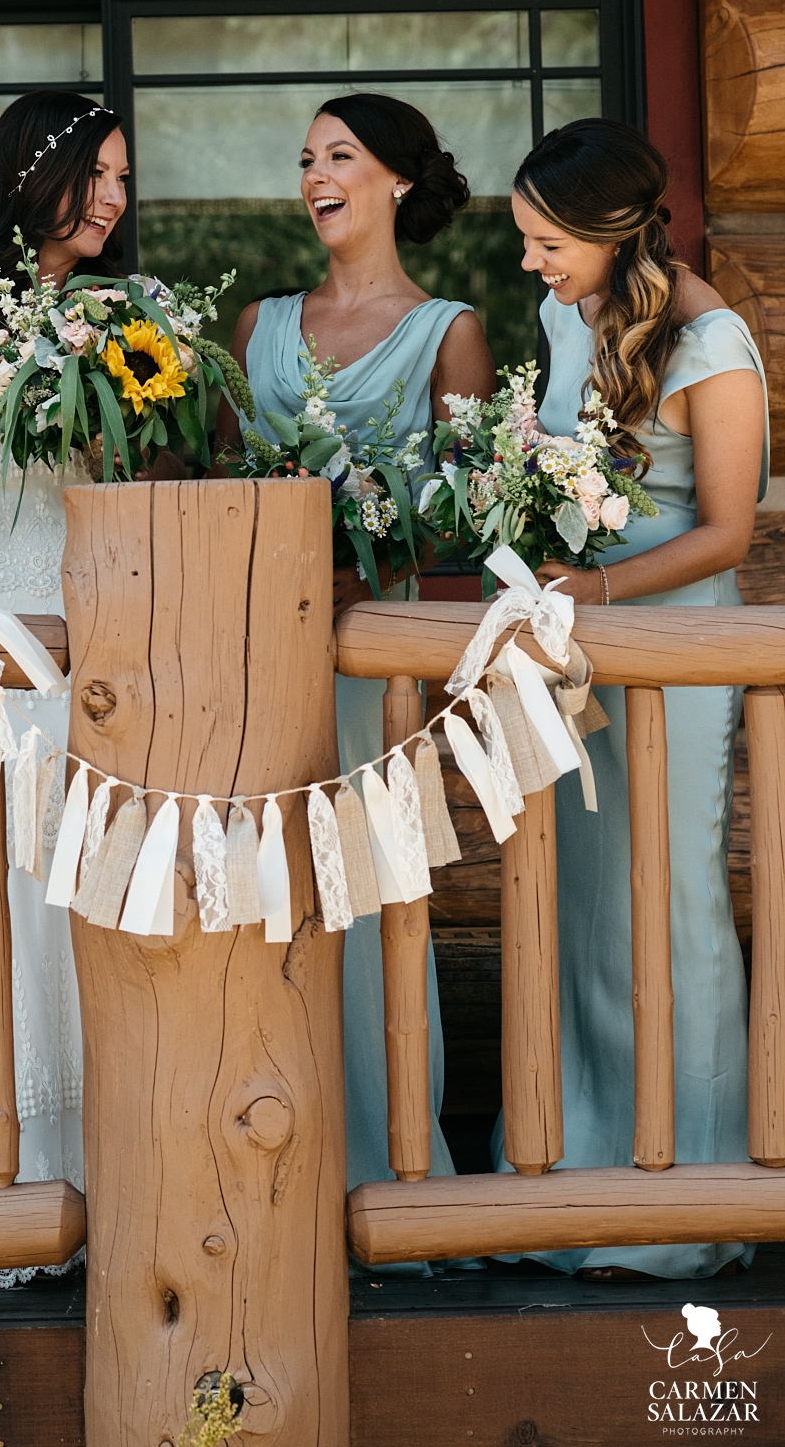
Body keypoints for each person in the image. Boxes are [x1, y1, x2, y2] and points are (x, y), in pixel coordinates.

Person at [504, 116, 768, 1279]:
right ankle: (584, 1178)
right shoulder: (567, 313)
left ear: (613, 232)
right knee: (583, 901)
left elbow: (723, 530)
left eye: (545, 240)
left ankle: (695, 1196)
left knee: (669, 906)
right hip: (577, 653)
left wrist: (601, 582)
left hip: (674, 654)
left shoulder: (713, 344)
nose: (529, 264)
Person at [219, 91, 496, 1194]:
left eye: (339, 155)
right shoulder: (257, 324)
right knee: (267, 897)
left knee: (369, 894)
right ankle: (266, 1163)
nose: (314, 176)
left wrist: (364, 550)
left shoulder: (452, 330)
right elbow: (224, 490)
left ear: (395, 179)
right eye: (304, 159)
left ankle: (387, 1171)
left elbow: (469, 507)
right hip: (256, 659)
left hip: (369, 661)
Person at [0, 90, 129, 1283]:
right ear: (35, 173)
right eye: (97, 172)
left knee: (92, 892)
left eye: (123, 179)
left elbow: (155, 472)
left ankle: (114, 1179)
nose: (113, 197)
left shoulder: (135, 319)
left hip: (98, 632)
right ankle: (15, 1193)